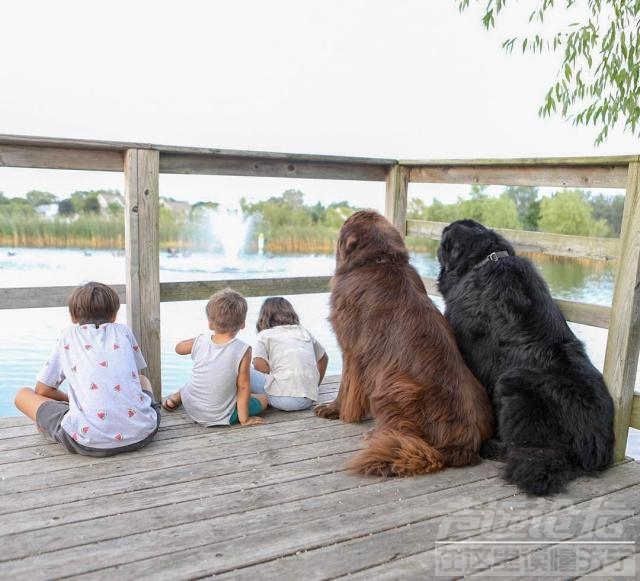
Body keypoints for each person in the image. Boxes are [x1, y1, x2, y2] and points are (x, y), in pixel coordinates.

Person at [14, 282, 161, 457]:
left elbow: (43, 389)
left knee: (22, 395)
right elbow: (136, 377)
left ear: (73, 317)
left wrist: (71, 401)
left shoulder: (68, 336)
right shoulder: (124, 331)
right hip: (143, 433)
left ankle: (58, 422)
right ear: (114, 315)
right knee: (143, 380)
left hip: (86, 440)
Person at [162, 288, 267, 427]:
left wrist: (200, 339)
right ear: (242, 324)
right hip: (220, 416)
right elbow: (243, 386)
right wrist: (244, 419)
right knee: (264, 399)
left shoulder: (201, 341)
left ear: (210, 324)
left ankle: (177, 397)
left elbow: (178, 348)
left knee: (202, 376)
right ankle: (179, 397)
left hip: (192, 406)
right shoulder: (243, 350)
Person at [252, 297, 328, 411]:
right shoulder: (303, 331)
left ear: (264, 316)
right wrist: (314, 385)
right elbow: (324, 359)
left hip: (284, 401)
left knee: (239, 370)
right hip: (308, 399)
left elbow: (260, 368)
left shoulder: (264, 335)